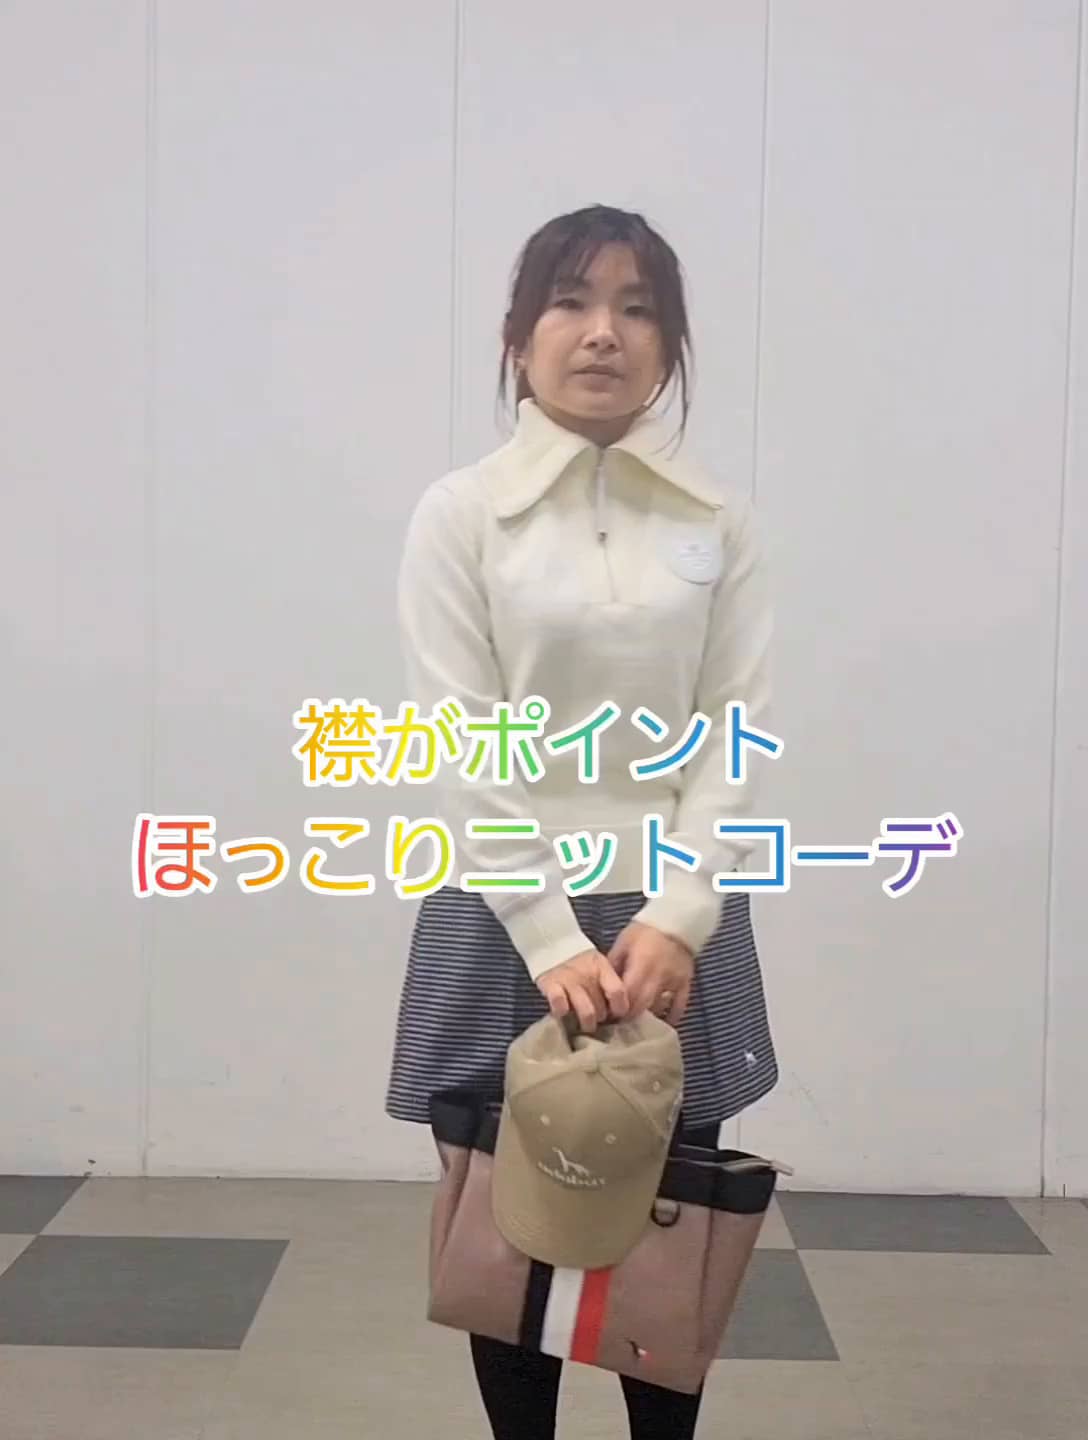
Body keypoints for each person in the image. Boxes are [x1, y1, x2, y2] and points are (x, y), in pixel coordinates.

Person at [384, 203, 779, 1440]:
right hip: (508, 916)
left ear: (669, 347)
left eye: (635, 307)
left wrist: (680, 912)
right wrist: (549, 935)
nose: (601, 331)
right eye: (570, 300)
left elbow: (735, 728)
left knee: (667, 1222)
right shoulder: (461, 513)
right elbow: (463, 733)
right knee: (512, 1233)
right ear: (518, 336)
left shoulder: (716, 521)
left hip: (673, 923)